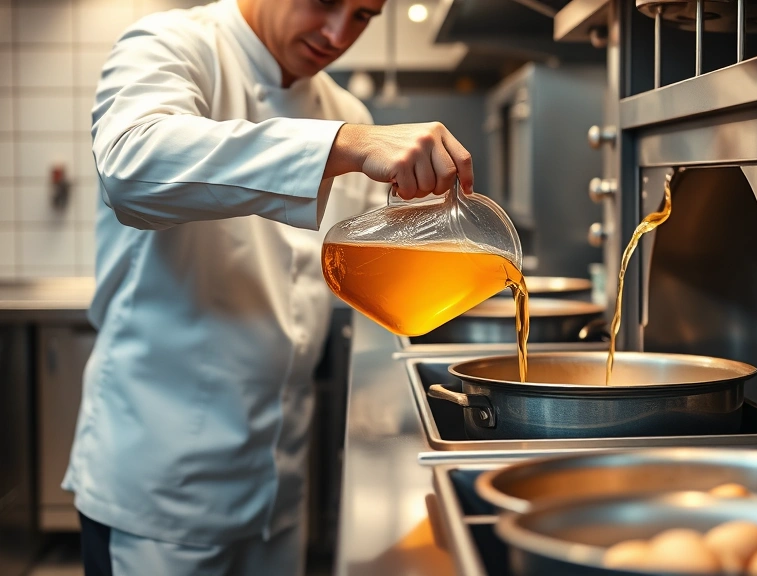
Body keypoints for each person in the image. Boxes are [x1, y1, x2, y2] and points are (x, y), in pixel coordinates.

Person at [61, 0, 475, 574]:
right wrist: (342, 146)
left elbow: (368, 262)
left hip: (279, 485)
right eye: (325, 2)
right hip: (161, 489)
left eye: (363, 15)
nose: (338, 33)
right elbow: (130, 167)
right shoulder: (174, 43)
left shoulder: (341, 108)